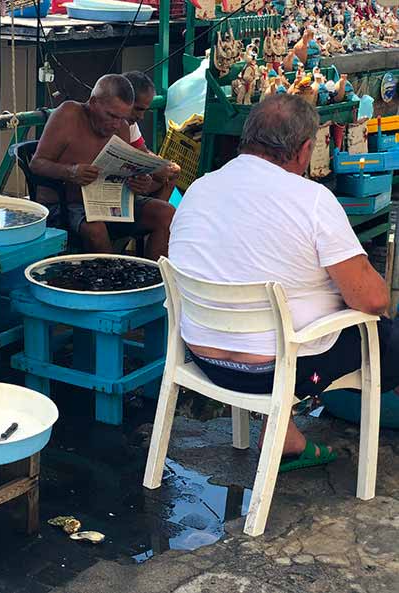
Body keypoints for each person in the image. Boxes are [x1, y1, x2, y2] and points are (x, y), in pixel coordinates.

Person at [169, 94, 399, 472]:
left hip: (203, 357)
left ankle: (288, 440)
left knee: (283, 309)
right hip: (274, 372)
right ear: (305, 149)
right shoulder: (311, 200)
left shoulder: (199, 189)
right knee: (385, 336)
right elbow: (373, 300)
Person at [30, 74, 177, 258]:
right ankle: (110, 283)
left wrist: (140, 183)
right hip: (66, 203)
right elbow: (37, 163)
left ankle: (155, 279)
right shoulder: (69, 114)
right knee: (96, 229)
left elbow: (123, 173)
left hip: (109, 203)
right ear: (93, 103)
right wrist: (70, 172)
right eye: (111, 115)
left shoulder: (122, 127)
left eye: (122, 118)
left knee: (166, 213)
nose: (116, 124)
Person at [122, 70, 181, 203]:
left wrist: (159, 166)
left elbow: (141, 150)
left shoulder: (130, 125)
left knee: (171, 172)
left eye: (144, 110)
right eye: (138, 109)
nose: (141, 117)